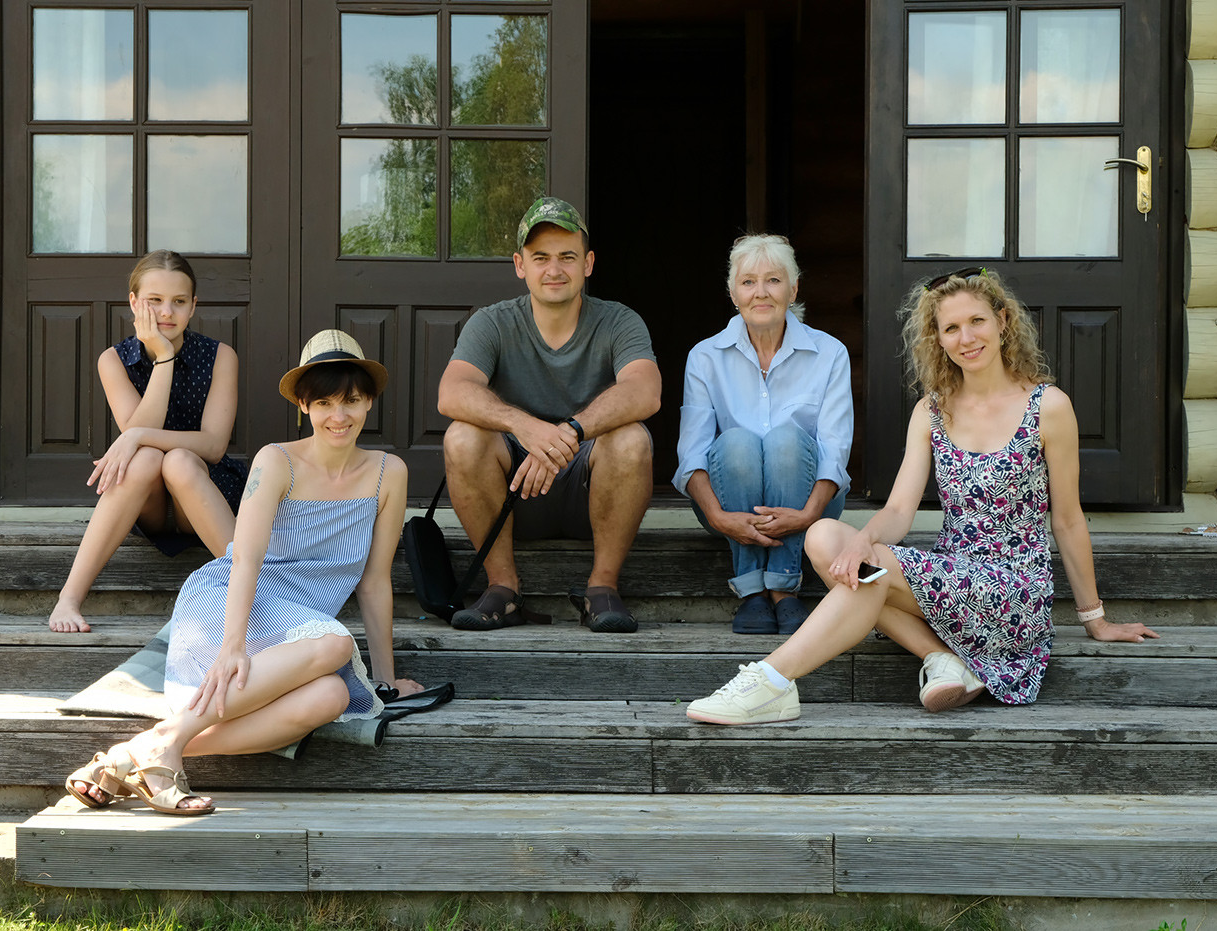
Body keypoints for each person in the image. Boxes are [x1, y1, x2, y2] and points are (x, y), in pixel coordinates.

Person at [686, 268, 1158, 725]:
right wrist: (862, 541)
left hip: (1013, 591)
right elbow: (897, 510)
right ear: (938, 339)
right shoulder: (932, 410)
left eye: (976, 321)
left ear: (1003, 321)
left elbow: (1068, 520)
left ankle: (771, 681)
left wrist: (1095, 619)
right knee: (826, 538)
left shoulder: (1048, 406)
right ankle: (942, 658)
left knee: (869, 572)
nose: (966, 338)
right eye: (951, 328)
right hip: (947, 578)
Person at [64, 330, 421, 813]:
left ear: (370, 402)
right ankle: (164, 745)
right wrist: (232, 646)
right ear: (303, 405)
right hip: (232, 601)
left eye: (352, 401)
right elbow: (245, 558)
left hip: (298, 630)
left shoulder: (388, 473)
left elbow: (374, 581)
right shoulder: (277, 461)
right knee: (337, 645)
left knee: (333, 696)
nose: (339, 416)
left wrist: (385, 678)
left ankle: (142, 751)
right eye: (324, 403)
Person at [437, 196, 660, 633]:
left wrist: (569, 433)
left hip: (592, 493)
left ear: (588, 263)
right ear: (520, 265)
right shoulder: (493, 322)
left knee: (632, 438)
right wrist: (525, 427)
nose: (554, 269)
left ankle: (602, 588)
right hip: (515, 495)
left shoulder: (619, 321)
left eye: (567, 257)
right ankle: (503, 588)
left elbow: (645, 391)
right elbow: (451, 392)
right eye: (540, 258)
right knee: (461, 437)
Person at [48, 251, 248, 633]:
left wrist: (138, 435)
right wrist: (165, 357)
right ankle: (69, 598)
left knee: (179, 461)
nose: (167, 312)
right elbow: (137, 442)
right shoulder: (113, 360)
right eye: (154, 300)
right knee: (145, 460)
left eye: (179, 301)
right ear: (134, 302)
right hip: (148, 502)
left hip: (202, 489)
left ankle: (260, 591)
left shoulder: (221, 356)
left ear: (193, 306)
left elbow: (213, 446)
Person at [674, 234, 852, 635]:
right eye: (748, 282)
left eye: (773, 280)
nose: (761, 292)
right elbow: (693, 452)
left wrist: (808, 514)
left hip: (814, 506)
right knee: (737, 443)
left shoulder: (830, 353)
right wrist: (717, 516)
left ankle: (784, 587)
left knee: (785, 440)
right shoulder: (705, 357)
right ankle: (752, 590)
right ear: (733, 293)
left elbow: (835, 448)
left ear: (793, 289)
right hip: (726, 506)